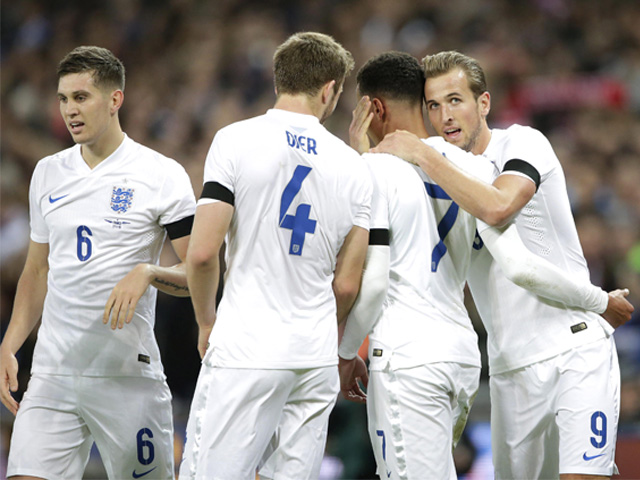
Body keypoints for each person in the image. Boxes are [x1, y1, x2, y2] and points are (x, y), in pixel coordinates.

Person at [339, 51, 632, 480]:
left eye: (456, 100)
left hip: (574, 344)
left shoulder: (522, 143)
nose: (446, 116)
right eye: (434, 105)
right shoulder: (457, 169)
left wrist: (597, 301)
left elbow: (498, 206)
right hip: (507, 364)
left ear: (485, 103)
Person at [180, 32, 372, 479]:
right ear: (329, 89)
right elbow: (347, 283)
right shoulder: (354, 166)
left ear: (277, 80)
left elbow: (204, 252)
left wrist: (207, 322)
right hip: (315, 355)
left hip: (247, 345)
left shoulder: (235, 140)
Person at [0, 46, 196, 479]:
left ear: (115, 100)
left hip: (126, 375)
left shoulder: (161, 175)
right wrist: (10, 343)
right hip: (54, 372)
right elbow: (37, 270)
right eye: (63, 99)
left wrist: (149, 272)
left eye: (81, 97)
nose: (70, 110)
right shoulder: (48, 173)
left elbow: (200, 273)